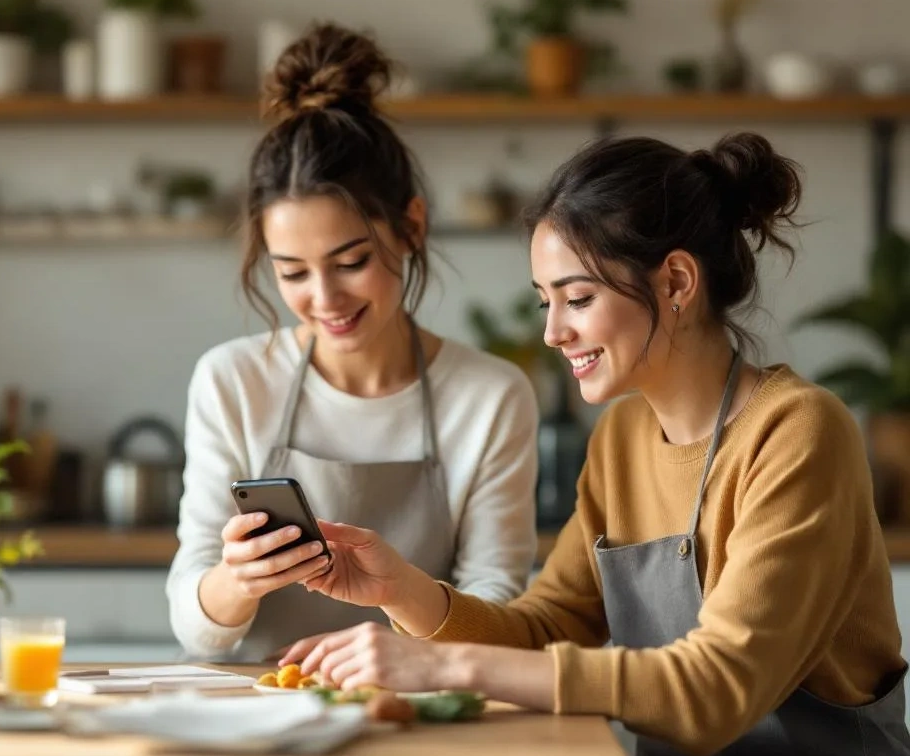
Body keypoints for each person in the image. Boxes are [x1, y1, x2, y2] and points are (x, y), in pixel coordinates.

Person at [278, 131, 910, 756]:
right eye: (545, 303)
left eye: (578, 298)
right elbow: (548, 628)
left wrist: (445, 668)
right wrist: (400, 589)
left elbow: (719, 690)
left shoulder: (798, 431)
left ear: (677, 282)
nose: (553, 333)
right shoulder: (621, 439)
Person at [164, 22, 541, 663]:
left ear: (411, 227)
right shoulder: (232, 380)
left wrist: (399, 608)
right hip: (259, 710)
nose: (325, 298)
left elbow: (497, 612)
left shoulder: (490, 396)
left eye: (351, 260)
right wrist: (236, 580)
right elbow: (193, 622)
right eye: (292, 272)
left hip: (419, 709)